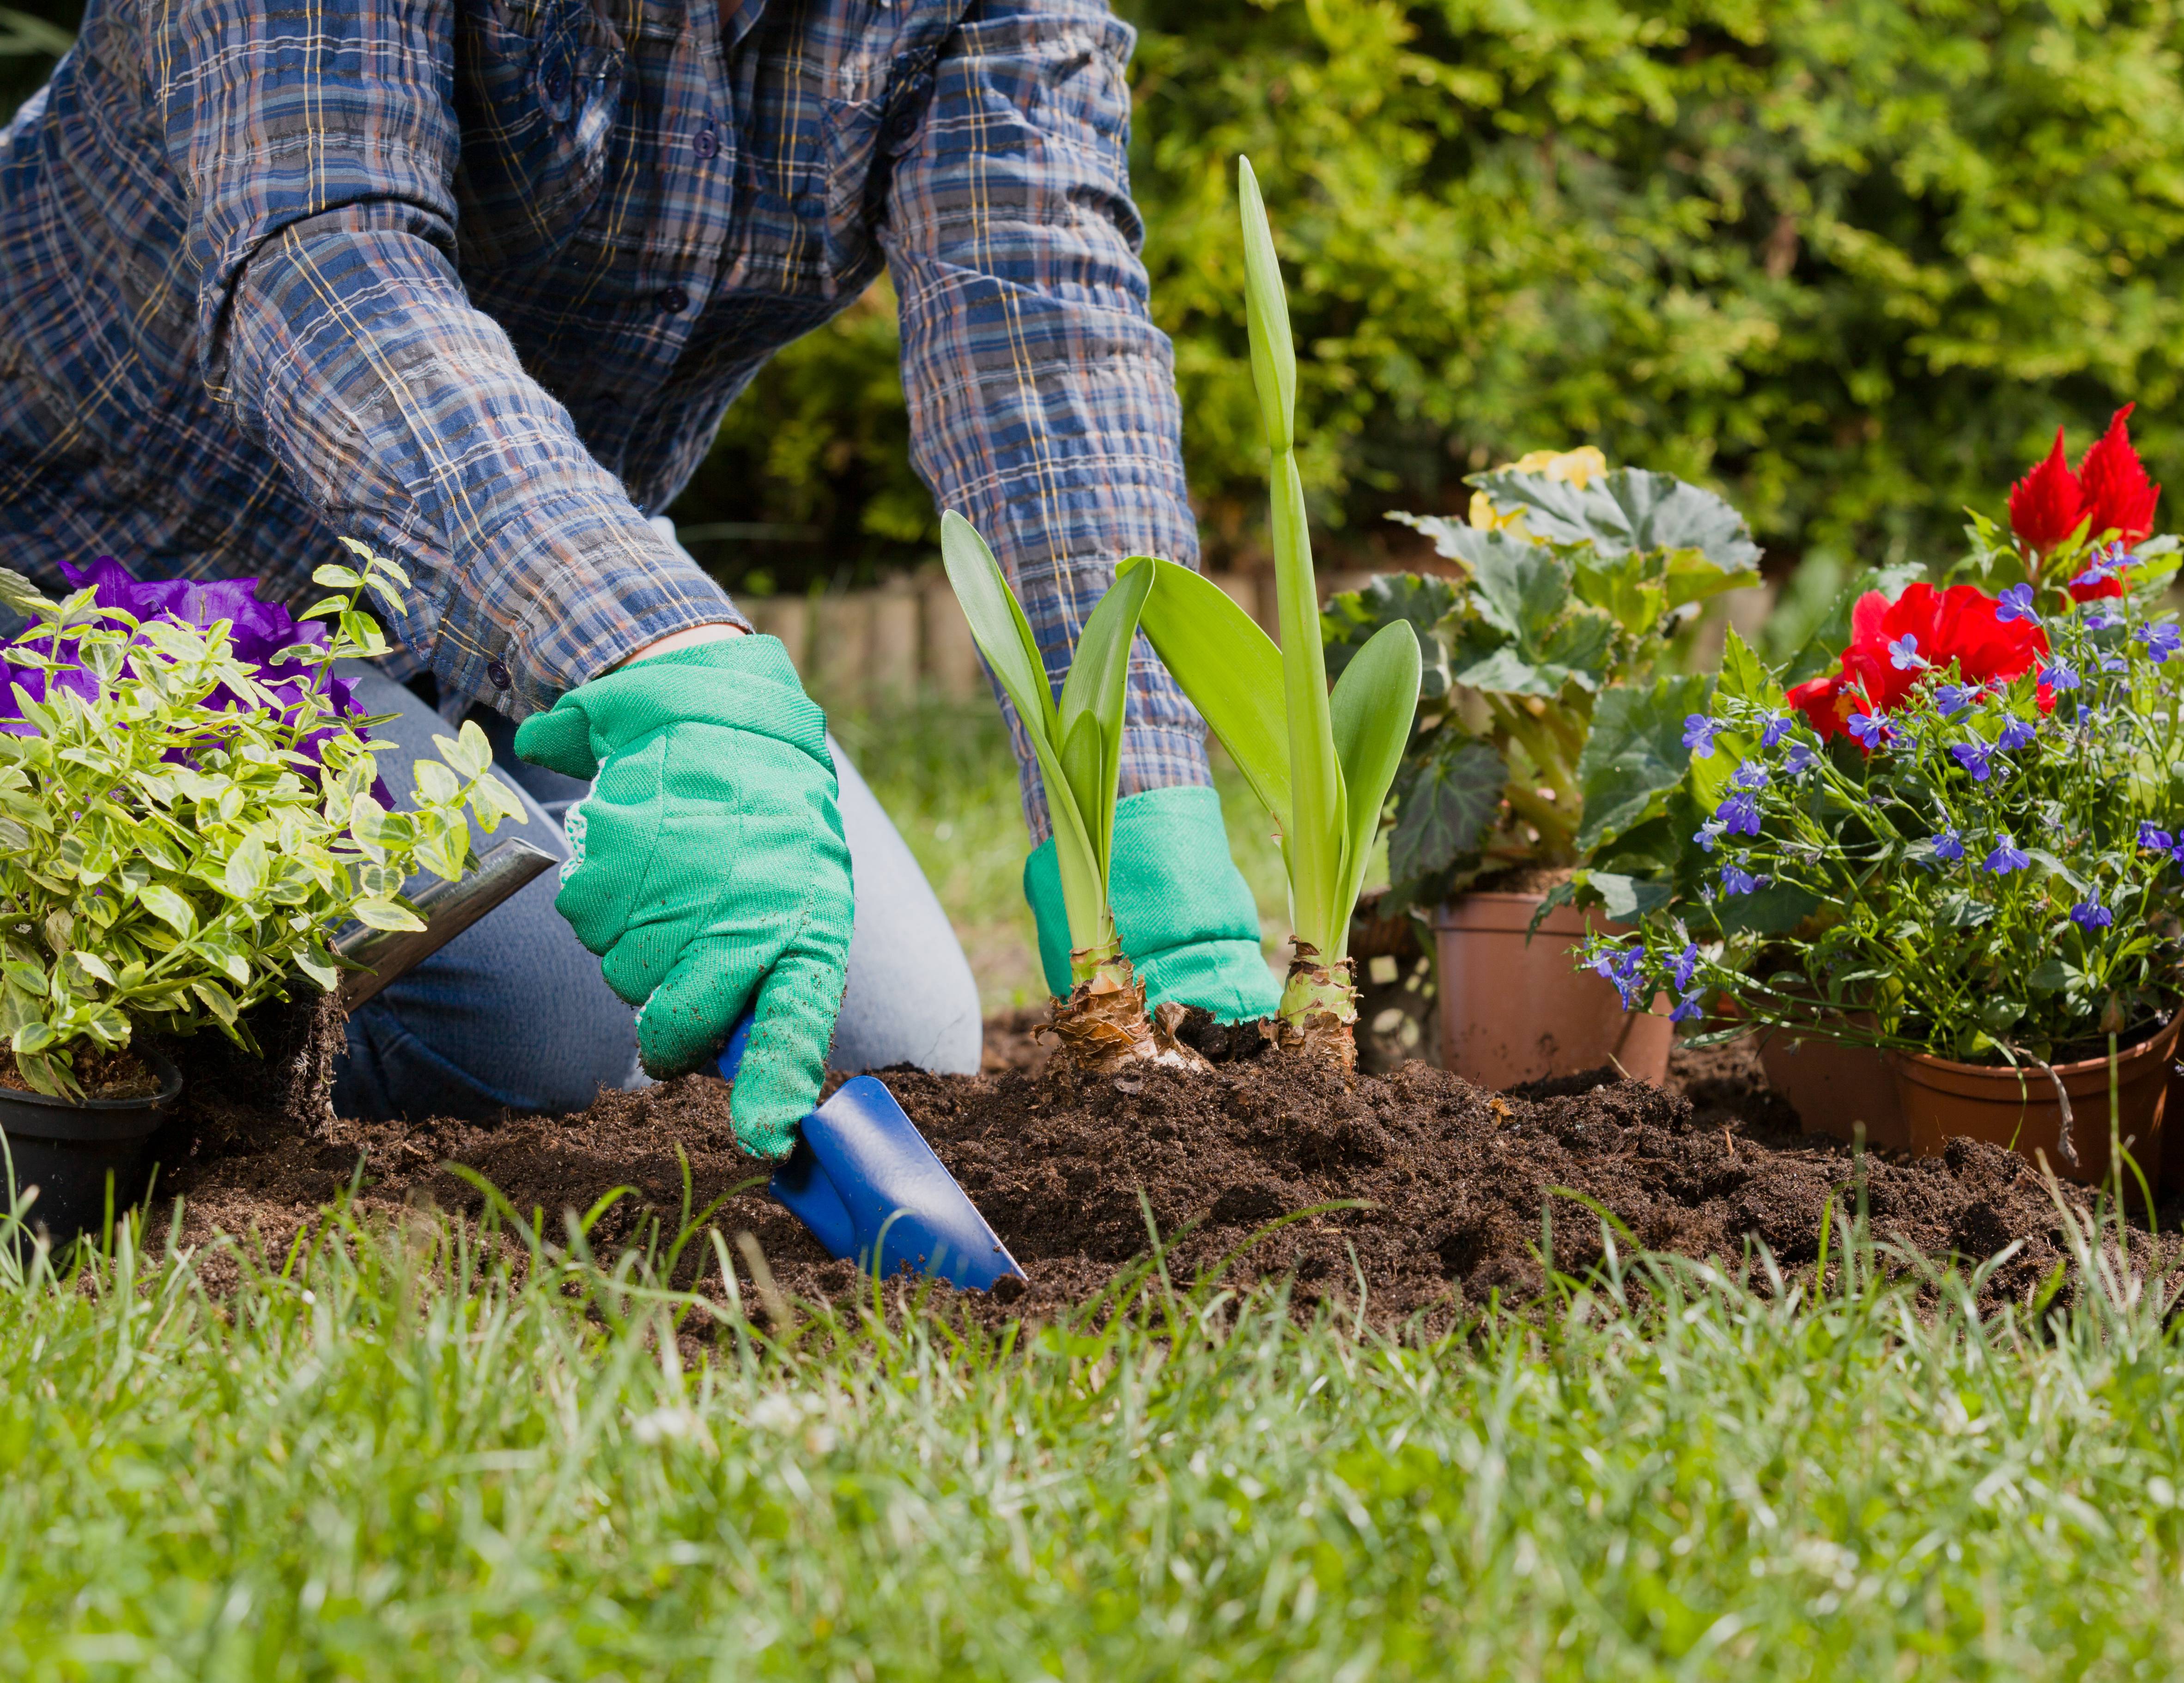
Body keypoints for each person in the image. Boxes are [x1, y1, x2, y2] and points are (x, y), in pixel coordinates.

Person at [0, 0, 1278, 1157]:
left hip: (523, 576)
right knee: (543, 1035)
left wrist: (1131, 796)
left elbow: (1040, 351)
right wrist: (663, 654)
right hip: (107, 564)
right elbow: (332, 267)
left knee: (882, 1036)